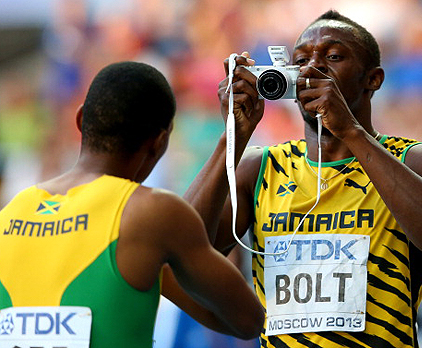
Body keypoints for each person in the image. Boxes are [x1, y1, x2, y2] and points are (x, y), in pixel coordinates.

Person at [183, 10, 422, 348]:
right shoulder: (259, 167)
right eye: (300, 59)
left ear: (372, 79)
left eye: (332, 56)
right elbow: (180, 249)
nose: (311, 68)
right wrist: (232, 137)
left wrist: (350, 131)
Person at [0, 61, 264, 347]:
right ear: (160, 143)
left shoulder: (11, 210)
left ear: (80, 121)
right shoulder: (149, 214)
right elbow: (247, 320)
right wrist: (232, 138)